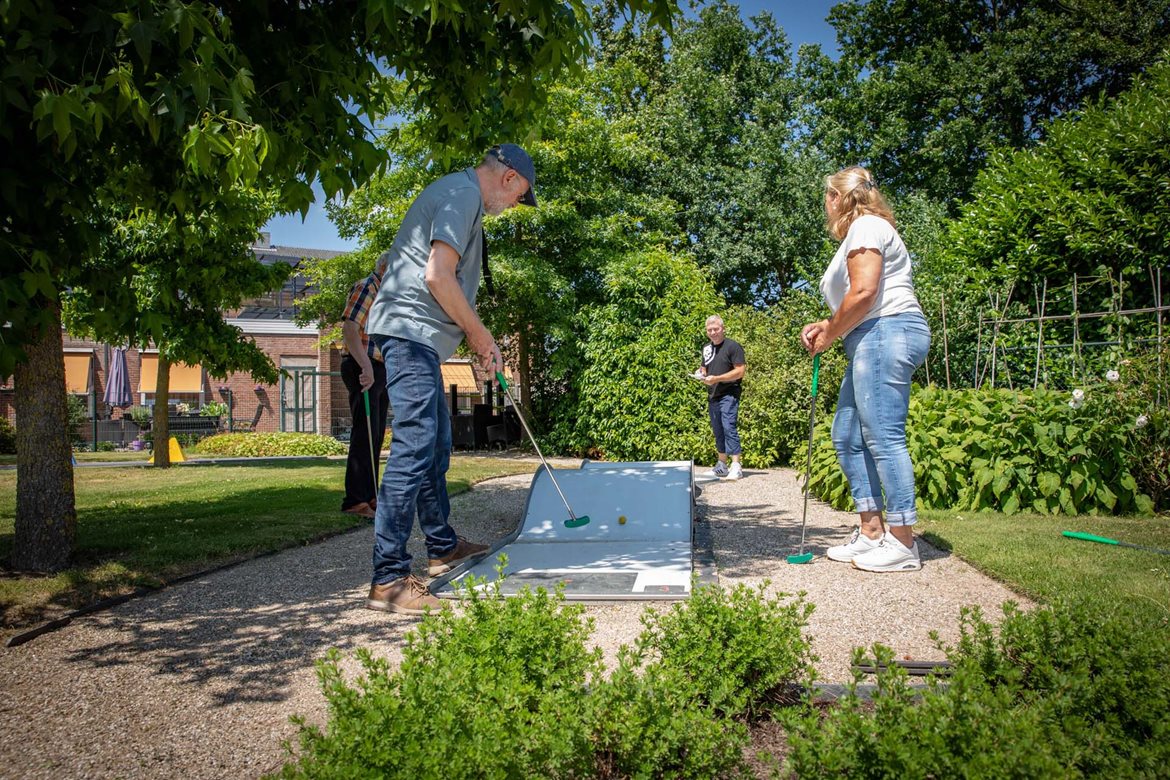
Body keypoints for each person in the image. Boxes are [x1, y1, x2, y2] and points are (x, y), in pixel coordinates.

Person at [364, 143, 537, 614]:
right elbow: (438, 277)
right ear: (509, 178)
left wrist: (480, 340)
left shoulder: (459, 196)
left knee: (436, 442)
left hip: (418, 337)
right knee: (416, 445)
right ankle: (389, 580)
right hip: (408, 334)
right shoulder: (463, 197)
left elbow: (430, 277)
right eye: (523, 193)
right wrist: (481, 339)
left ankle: (441, 547)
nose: (517, 204)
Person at [800, 166, 931, 573]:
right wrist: (827, 325)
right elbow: (855, 299)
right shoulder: (860, 234)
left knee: (883, 436)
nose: (825, 206)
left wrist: (828, 334)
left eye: (826, 198)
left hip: (886, 330)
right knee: (846, 434)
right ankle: (872, 532)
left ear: (837, 199)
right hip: (869, 336)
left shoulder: (866, 227)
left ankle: (903, 541)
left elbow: (864, 292)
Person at [338, 263, 390, 519]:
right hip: (363, 366)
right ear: (385, 266)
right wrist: (366, 365)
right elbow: (349, 329)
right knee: (364, 434)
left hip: (378, 368)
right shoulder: (367, 287)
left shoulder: (384, 292)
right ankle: (355, 500)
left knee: (376, 435)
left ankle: (371, 495)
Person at [699, 315, 746, 481]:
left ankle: (736, 465)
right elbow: (704, 368)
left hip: (729, 393)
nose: (713, 332)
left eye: (716, 329)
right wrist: (701, 374)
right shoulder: (706, 349)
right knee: (718, 429)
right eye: (710, 330)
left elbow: (740, 371)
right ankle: (721, 465)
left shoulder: (733, 347)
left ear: (723, 329)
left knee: (728, 426)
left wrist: (717, 378)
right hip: (713, 394)